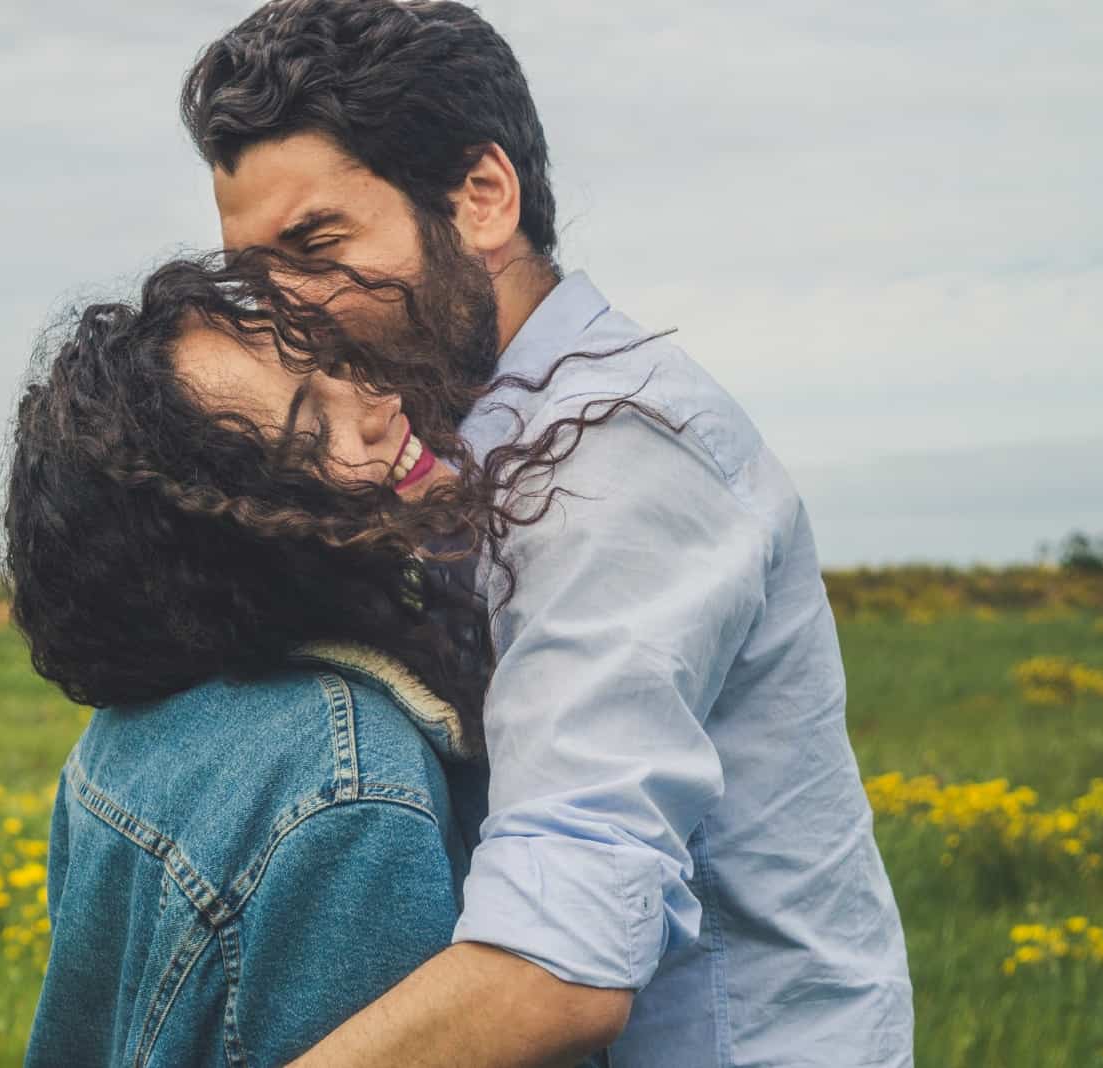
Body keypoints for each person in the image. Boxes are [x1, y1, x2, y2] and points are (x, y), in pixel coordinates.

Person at [179, 2, 916, 1065]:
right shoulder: (453, 434)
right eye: (254, 273)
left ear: (482, 198)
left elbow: (560, 965)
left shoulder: (613, 454)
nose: (283, 312)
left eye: (317, 244)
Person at [0, 253, 614, 1066]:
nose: (378, 401)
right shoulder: (350, 787)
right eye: (307, 427)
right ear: (225, 543)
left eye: (328, 364)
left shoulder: (124, 738)